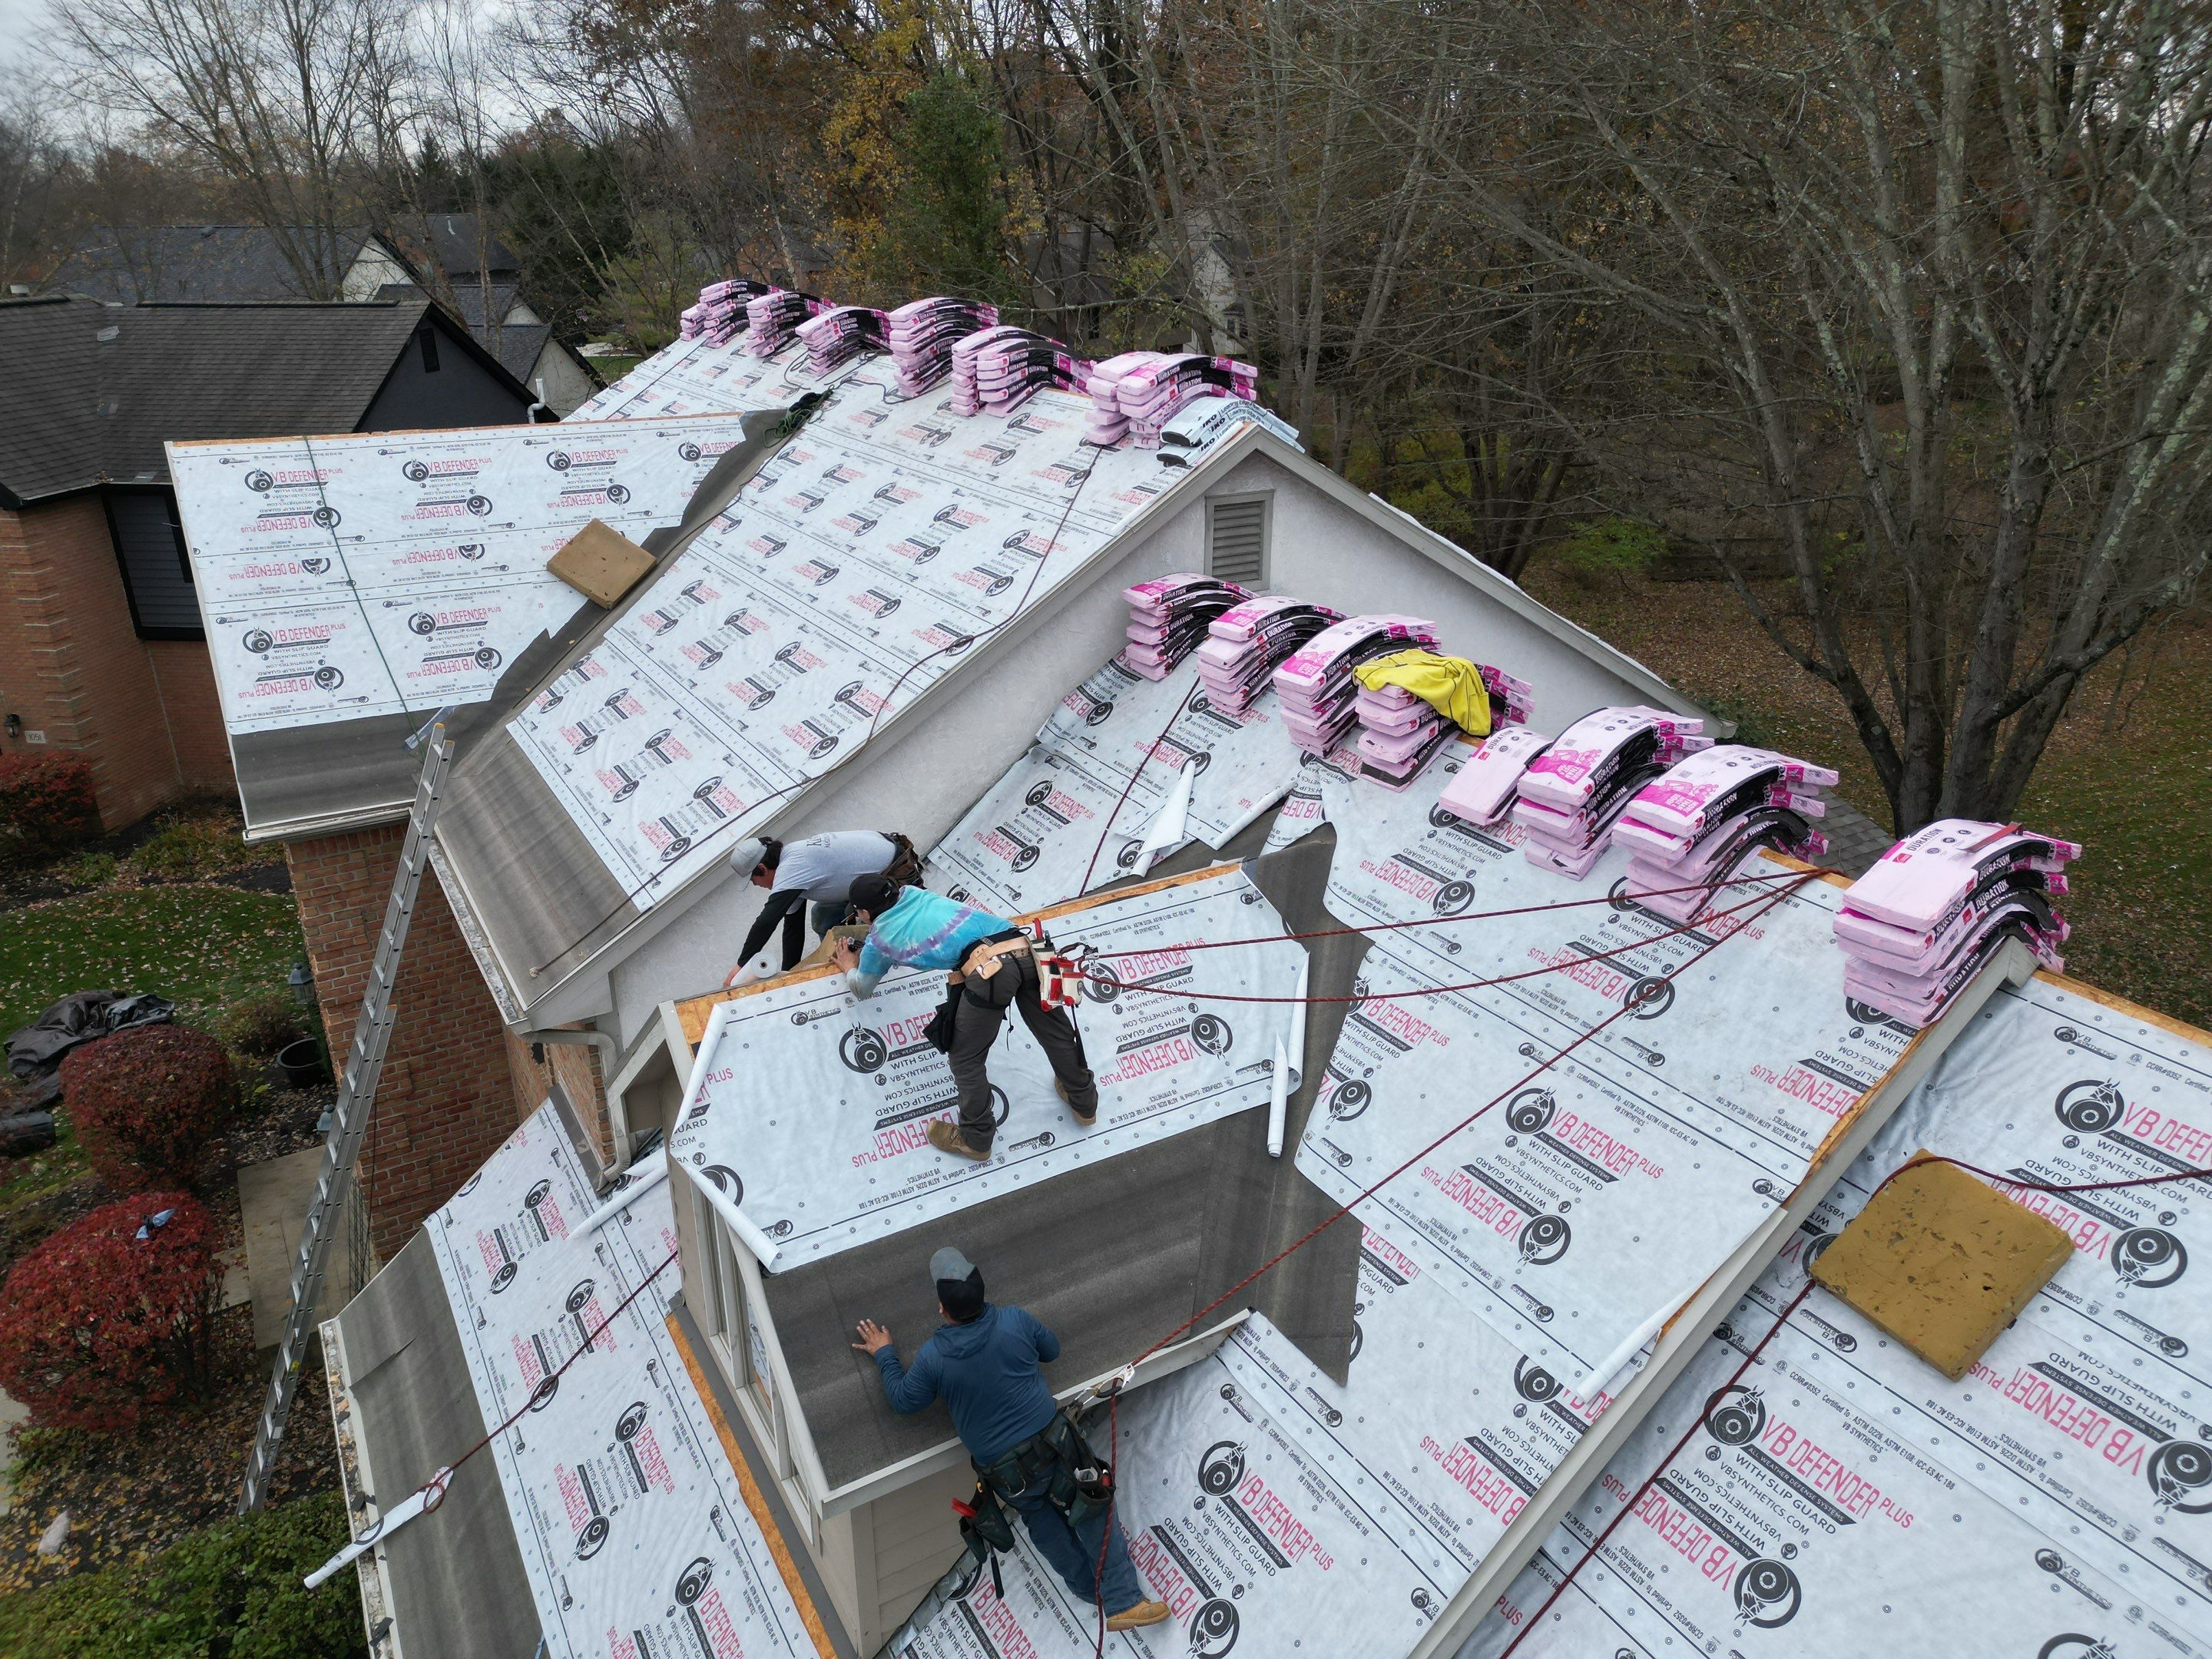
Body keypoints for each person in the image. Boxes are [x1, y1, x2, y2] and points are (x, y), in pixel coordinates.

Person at [852, 1248, 1168, 1631]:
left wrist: (885, 1354)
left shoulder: (935, 1358)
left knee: (1042, 1521)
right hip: (1055, 1447)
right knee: (1091, 1505)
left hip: (1008, 1473)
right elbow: (1051, 1350)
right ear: (982, 1296)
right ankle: (1122, 1602)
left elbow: (903, 1400)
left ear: (942, 1309)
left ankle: (1091, 1591)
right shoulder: (1014, 1321)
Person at [833, 873, 1098, 1161]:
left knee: (966, 1059)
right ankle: (1084, 1103)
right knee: (1055, 1033)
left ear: (866, 913)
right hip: (1024, 947)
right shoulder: (914, 893)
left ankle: (976, 1139)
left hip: (989, 969)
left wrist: (849, 965)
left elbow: (862, 988)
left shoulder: (879, 940)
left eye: (858, 912)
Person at [726, 831, 919, 979]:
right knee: (822, 914)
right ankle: (837, 958)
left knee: (853, 921)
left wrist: (741, 964)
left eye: (754, 881)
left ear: (762, 868)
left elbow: (767, 921)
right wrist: (788, 974)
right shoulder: (792, 857)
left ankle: (862, 970)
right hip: (883, 865)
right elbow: (792, 929)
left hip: (894, 875)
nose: (758, 886)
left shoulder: (791, 869)